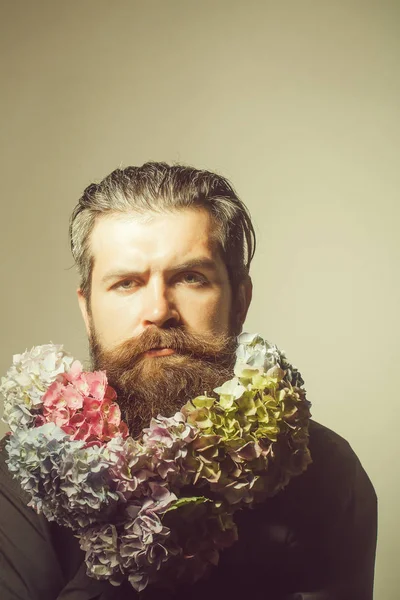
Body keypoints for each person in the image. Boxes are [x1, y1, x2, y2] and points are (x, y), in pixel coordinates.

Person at [0, 162, 377, 599]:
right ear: (88, 313)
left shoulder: (325, 470)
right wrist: (126, 536)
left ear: (240, 301)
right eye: (126, 283)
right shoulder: (18, 476)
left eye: (191, 278)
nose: (159, 310)